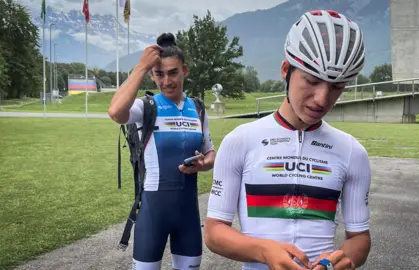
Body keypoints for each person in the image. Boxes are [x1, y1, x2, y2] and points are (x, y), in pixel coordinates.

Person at [204, 9, 370, 270]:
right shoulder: (241, 140)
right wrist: (263, 251)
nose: (322, 99)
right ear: (286, 70)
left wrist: (345, 259)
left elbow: (359, 237)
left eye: (337, 87)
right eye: (312, 81)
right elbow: (214, 232)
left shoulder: (352, 151)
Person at [108, 33, 216, 270]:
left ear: (184, 70)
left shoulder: (197, 108)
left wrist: (203, 164)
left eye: (173, 72)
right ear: (151, 75)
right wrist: (140, 67)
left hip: (188, 215)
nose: (167, 80)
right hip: (153, 213)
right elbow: (116, 112)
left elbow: (210, 154)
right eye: (159, 73)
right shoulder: (146, 107)